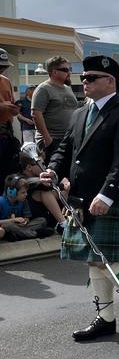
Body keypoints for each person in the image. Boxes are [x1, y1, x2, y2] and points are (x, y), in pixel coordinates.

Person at [41, 55, 119, 341]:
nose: (83, 82)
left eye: (91, 78)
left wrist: (106, 195)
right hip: (80, 198)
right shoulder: (79, 113)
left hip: (107, 197)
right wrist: (52, 169)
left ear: (110, 81)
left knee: (108, 260)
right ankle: (106, 318)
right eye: (83, 77)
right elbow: (65, 149)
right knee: (94, 261)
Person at [31, 56, 78, 164]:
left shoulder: (68, 88)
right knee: (52, 175)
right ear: (54, 72)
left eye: (69, 69)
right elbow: (36, 114)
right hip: (53, 140)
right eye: (65, 70)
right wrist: (48, 139)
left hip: (68, 139)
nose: (69, 73)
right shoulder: (43, 89)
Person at [0, 174, 51, 241]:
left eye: (26, 192)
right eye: (23, 192)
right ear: (12, 192)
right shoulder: (1, 202)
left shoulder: (24, 201)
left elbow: (27, 218)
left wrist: (25, 221)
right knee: (8, 225)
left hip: (19, 227)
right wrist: (14, 220)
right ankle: (34, 234)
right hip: (6, 226)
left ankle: (19, 235)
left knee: (42, 220)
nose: (26, 194)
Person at [0, 48, 21, 192]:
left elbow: (12, 104)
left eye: (4, 65)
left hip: (6, 133)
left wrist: (14, 108)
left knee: (6, 172)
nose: (3, 68)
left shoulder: (6, 81)